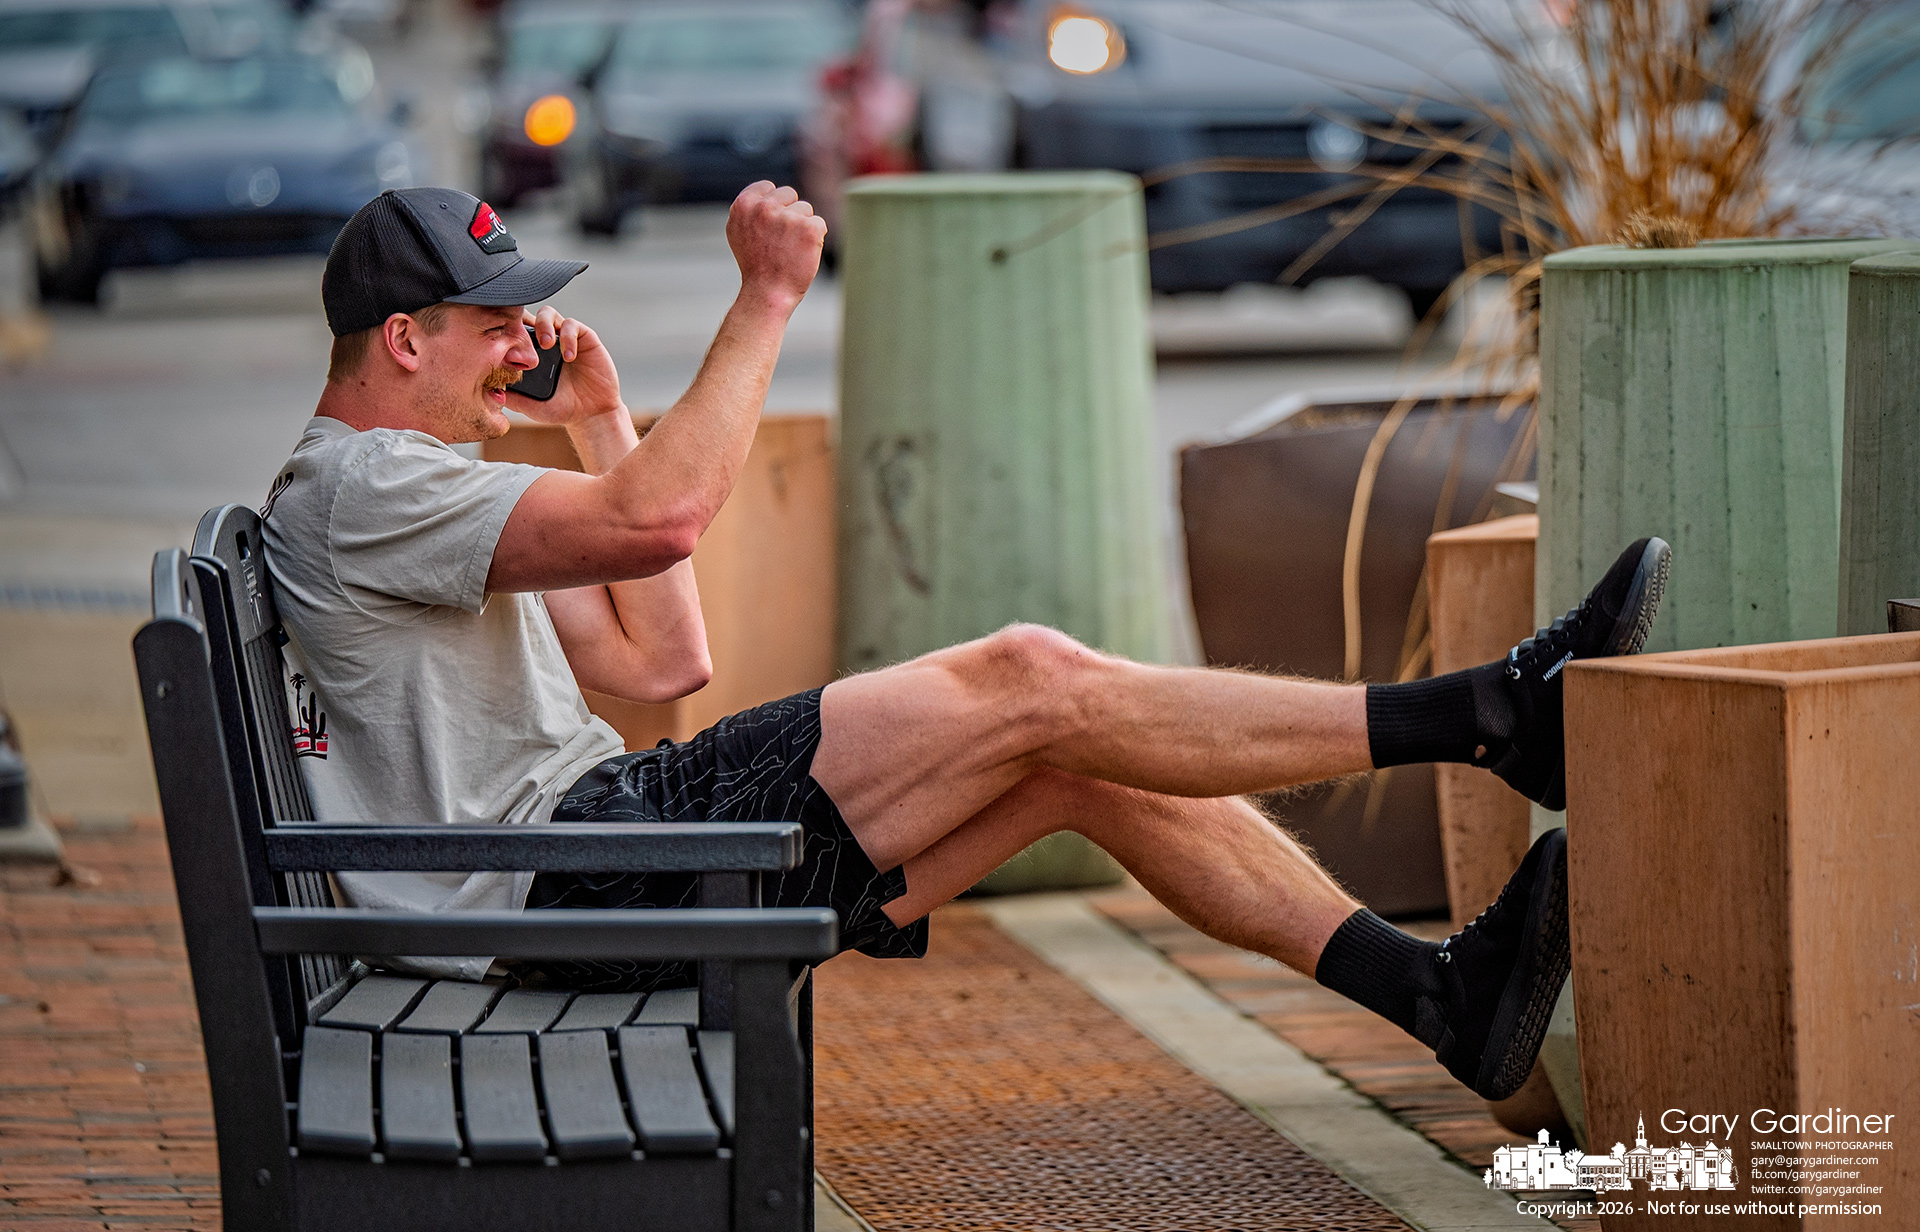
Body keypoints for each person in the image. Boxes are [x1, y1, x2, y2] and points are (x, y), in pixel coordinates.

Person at [262, 183, 1669, 1104]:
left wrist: (593, 417)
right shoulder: (367, 489)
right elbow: (668, 518)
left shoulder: (425, 495)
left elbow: (661, 658)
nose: (524, 345)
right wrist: (764, 299)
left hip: (585, 866)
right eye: (498, 325)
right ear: (403, 339)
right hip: (568, 887)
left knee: (1076, 762)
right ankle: (1487, 714)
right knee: (1029, 675)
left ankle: (1438, 993)